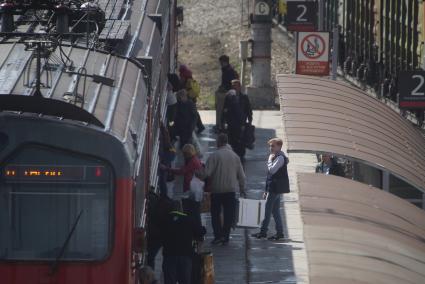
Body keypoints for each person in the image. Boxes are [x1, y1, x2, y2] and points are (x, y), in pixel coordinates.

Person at [197, 133, 245, 245]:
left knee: (215, 214)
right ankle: (226, 236)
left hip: (217, 191)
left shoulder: (215, 156)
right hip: (230, 191)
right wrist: (242, 188)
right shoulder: (235, 156)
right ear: (227, 142)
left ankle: (218, 236)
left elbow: (206, 173)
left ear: (219, 142)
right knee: (228, 215)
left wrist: (197, 174)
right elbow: (241, 176)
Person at [252, 138, 289, 241]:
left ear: (279, 146)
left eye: (273, 146)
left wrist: (269, 159)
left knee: (267, 211)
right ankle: (280, 233)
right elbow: (269, 177)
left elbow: (272, 170)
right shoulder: (276, 156)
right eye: (270, 146)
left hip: (275, 189)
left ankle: (263, 232)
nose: (271, 148)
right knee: (275, 211)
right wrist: (266, 190)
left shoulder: (280, 158)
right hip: (273, 188)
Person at [161, 200, 206, 284]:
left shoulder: (164, 220)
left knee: (169, 281)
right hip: (185, 256)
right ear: (181, 208)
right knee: (185, 280)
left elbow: (159, 235)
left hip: (169, 255)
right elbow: (201, 231)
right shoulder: (189, 220)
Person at [163, 144, 203, 226]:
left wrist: (167, 169)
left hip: (191, 191)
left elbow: (182, 171)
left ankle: (195, 231)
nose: (184, 156)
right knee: (194, 212)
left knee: (190, 211)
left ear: (188, 153)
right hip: (193, 190)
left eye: (185, 154)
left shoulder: (192, 161)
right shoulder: (193, 159)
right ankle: (196, 231)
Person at [222, 80, 253, 163]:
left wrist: (249, 120)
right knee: (231, 140)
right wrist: (223, 122)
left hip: (241, 123)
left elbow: (248, 109)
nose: (234, 88)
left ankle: (241, 156)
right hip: (231, 123)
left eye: (235, 86)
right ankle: (233, 156)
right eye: (232, 86)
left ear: (239, 87)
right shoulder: (228, 97)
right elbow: (224, 110)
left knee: (241, 141)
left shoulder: (244, 97)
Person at [215, 55, 239, 132]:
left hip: (228, 94)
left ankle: (221, 126)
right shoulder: (226, 70)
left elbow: (228, 84)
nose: (220, 64)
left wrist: (223, 88)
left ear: (225, 62)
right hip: (227, 93)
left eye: (222, 62)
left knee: (223, 111)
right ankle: (221, 126)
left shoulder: (228, 71)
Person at [179, 65, 205, 134]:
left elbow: (183, 84)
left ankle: (200, 126)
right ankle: (200, 126)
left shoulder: (183, 74)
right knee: (194, 112)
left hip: (189, 97)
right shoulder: (188, 73)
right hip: (193, 96)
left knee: (194, 113)